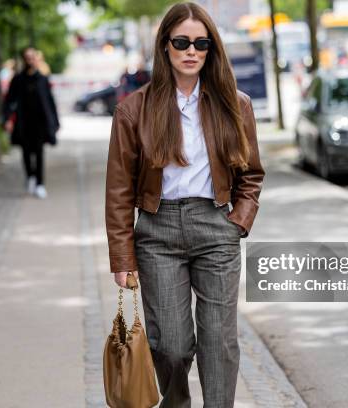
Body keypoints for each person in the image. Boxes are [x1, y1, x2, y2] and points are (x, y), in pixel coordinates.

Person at [104, 3, 264, 407]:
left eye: (200, 43)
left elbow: (252, 175)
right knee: (171, 346)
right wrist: (122, 256)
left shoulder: (236, 104)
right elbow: (119, 189)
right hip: (157, 233)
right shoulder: (134, 109)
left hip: (216, 229)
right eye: (181, 42)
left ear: (211, 48)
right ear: (165, 47)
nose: (191, 51)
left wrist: (238, 223)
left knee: (218, 340)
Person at [2, 47, 59, 199]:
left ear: (36, 59)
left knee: (39, 152)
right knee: (26, 152)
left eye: (32, 57)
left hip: (39, 122)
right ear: (24, 59)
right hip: (23, 122)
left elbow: (50, 101)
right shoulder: (18, 79)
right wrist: (7, 119)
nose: (30, 60)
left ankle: (40, 183)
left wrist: (55, 121)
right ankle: (31, 177)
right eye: (27, 57)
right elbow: (9, 100)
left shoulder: (42, 79)